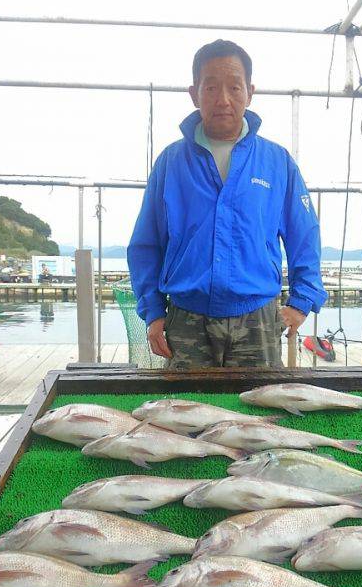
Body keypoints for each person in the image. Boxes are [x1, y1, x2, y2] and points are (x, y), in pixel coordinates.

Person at [128, 39, 327, 368]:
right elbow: (145, 244)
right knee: (183, 415)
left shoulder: (277, 163)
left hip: (258, 320)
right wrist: (152, 311)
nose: (223, 99)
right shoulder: (170, 162)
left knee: (258, 415)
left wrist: (302, 300)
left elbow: (304, 235)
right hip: (185, 319)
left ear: (249, 92)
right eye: (211, 87)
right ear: (194, 94)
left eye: (234, 87)